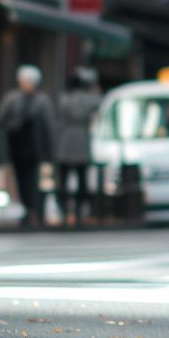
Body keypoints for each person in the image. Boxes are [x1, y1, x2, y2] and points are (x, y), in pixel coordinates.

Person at [0, 65, 56, 227]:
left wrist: (50, 148)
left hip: (37, 148)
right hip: (18, 145)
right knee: (21, 179)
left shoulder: (42, 100)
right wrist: (12, 126)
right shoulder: (12, 99)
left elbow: (49, 125)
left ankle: (37, 210)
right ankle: (26, 208)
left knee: (37, 180)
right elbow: (1, 119)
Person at [55, 68, 102, 227]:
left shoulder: (64, 98)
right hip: (81, 139)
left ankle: (64, 210)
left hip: (65, 139)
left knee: (64, 179)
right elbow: (99, 102)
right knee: (81, 179)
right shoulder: (89, 99)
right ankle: (79, 211)